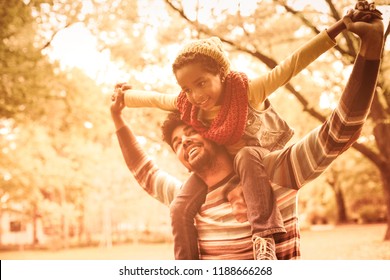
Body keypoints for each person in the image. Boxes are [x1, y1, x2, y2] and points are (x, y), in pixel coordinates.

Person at [113, 4, 382, 260]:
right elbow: (145, 167)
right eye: (176, 143)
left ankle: (263, 236)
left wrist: (367, 45)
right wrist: (120, 111)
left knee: (246, 157)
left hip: (257, 167)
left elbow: (339, 129)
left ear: (208, 133)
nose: (184, 141)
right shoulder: (186, 198)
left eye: (189, 133)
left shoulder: (275, 176)